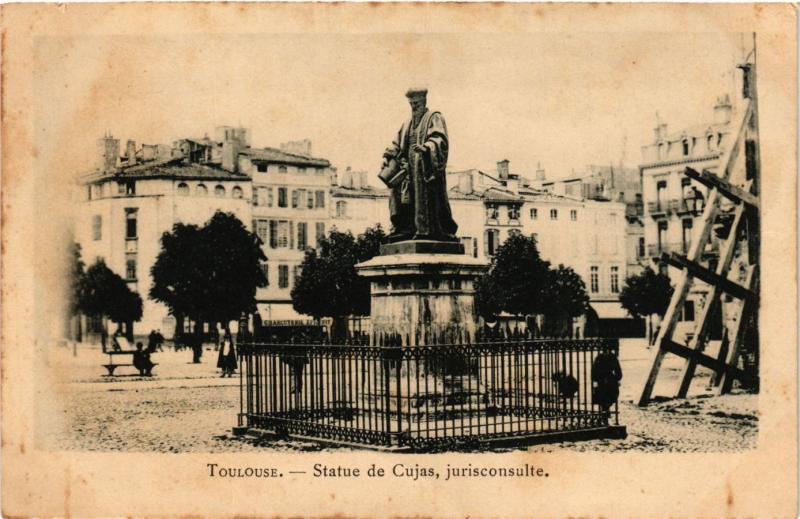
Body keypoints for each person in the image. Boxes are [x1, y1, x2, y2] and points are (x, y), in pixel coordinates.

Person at [380, 88, 458, 242]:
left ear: (424, 102)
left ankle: (427, 230)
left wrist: (427, 148)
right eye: (411, 104)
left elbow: (439, 139)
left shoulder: (434, 117)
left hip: (425, 166)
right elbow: (397, 143)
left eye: (416, 103)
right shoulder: (407, 122)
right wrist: (387, 156)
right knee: (402, 197)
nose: (413, 107)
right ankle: (405, 229)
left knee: (425, 198)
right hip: (408, 168)